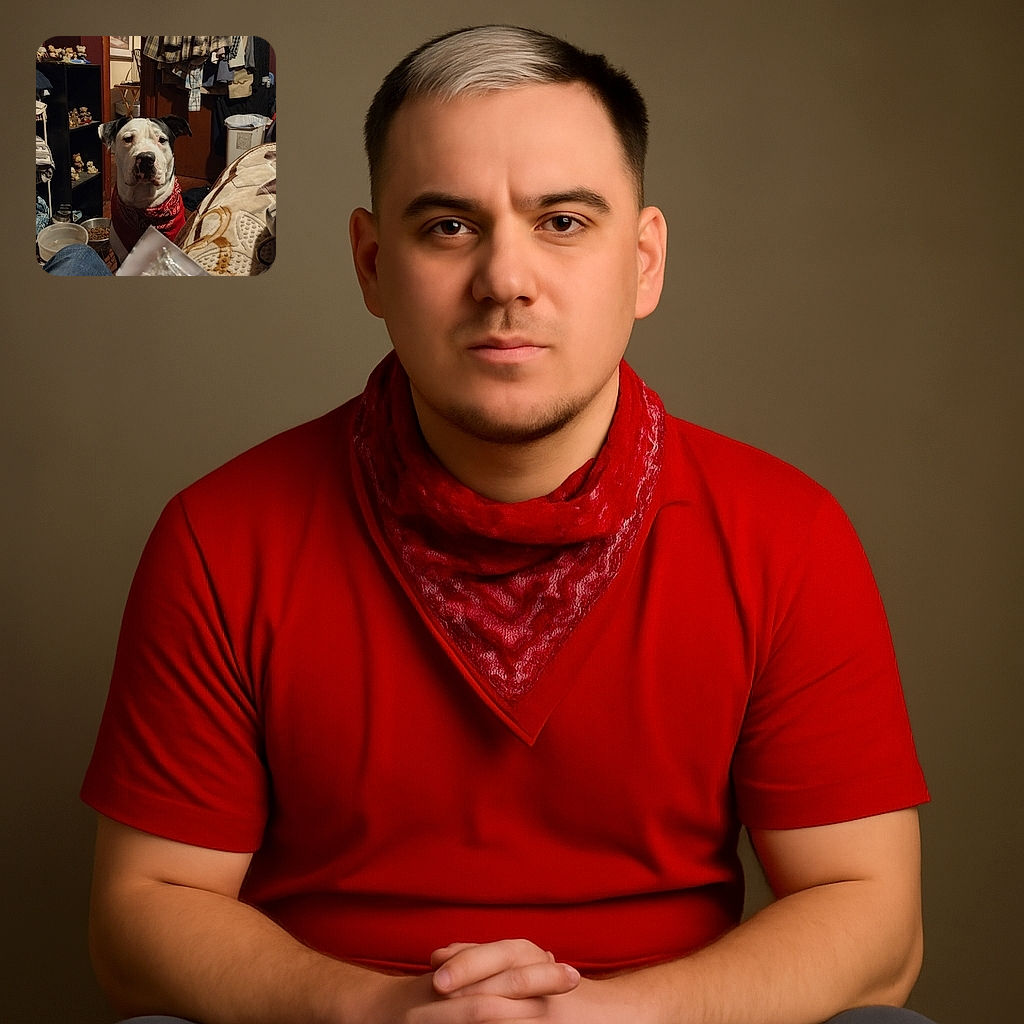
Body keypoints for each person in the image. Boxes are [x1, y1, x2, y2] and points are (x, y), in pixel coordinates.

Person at [81, 25, 935, 1024]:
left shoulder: (786, 534)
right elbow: (143, 913)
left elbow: (873, 920)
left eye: (563, 222)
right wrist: (377, 1011)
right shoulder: (221, 536)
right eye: (448, 227)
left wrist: (617, 1018)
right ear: (369, 264)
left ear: (645, 261)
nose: (505, 280)